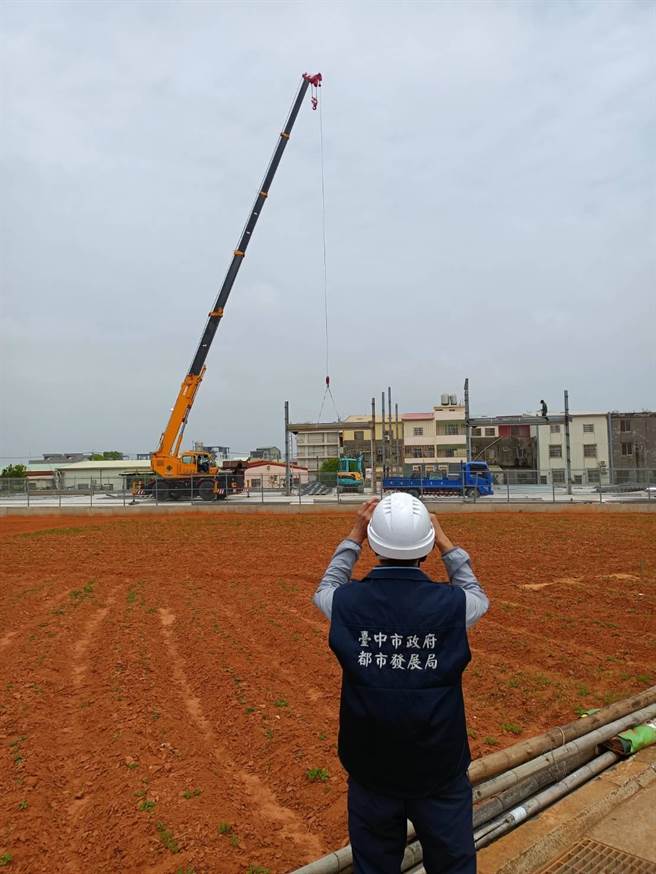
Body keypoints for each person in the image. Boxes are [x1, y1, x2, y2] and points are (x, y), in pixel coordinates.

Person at [313, 493, 489, 874]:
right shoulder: (453, 606)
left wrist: (354, 535)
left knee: (374, 866)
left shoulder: (346, 604)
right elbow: (478, 595)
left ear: (374, 544)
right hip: (439, 767)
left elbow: (325, 587)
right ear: (426, 545)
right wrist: (444, 539)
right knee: (453, 864)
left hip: (370, 767)